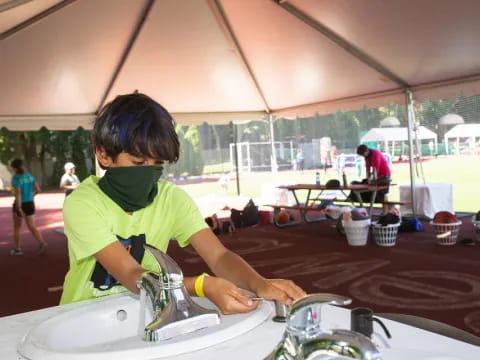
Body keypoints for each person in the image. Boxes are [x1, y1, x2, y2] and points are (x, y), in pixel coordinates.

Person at [60, 93, 306, 313]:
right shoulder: (82, 203)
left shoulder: (171, 199)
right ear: (103, 154)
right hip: (81, 319)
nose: (149, 173)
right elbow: (132, 275)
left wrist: (258, 283)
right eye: (138, 163)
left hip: (148, 311)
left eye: (157, 164)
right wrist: (201, 285)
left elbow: (219, 256)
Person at [9, 159, 48, 255]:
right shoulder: (30, 176)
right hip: (30, 203)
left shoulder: (16, 178)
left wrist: (18, 208)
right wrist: (31, 196)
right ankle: (42, 243)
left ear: (14, 168)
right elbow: (38, 190)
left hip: (20, 204)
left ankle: (18, 249)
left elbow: (18, 194)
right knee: (31, 226)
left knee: (17, 227)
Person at [356, 144, 392, 213]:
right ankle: (385, 211)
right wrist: (368, 178)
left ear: (366, 151)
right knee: (376, 192)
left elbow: (376, 169)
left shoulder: (376, 154)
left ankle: (386, 211)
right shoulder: (366, 156)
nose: (363, 156)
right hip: (377, 176)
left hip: (384, 176)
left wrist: (371, 179)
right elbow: (368, 168)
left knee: (383, 194)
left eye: (363, 155)